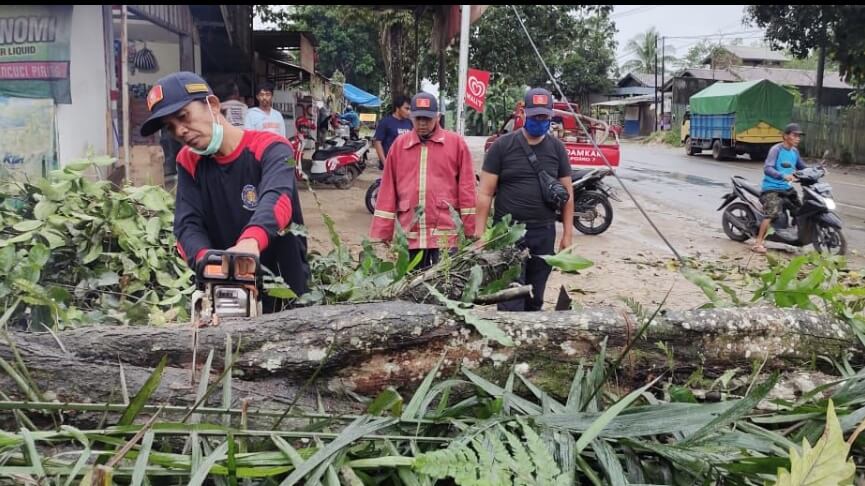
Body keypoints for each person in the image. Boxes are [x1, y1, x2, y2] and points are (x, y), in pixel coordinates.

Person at [140, 71, 309, 310]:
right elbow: (187, 224)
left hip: (284, 285)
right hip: (224, 295)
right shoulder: (188, 161)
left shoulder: (271, 148)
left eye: (183, 117)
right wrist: (210, 263)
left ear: (213, 105)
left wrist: (249, 244)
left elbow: (278, 199)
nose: (179, 131)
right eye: (170, 127)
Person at [475, 87, 575, 312]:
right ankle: (508, 344)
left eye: (544, 116)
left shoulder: (557, 149)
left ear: (551, 115)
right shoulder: (502, 146)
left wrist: (568, 234)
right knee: (510, 296)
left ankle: (527, 344)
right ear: (523, 113)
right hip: (508, 234)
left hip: (543, 233)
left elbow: (567, 195)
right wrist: (480, 235)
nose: (540, 120)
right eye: (535, 115)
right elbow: (485, 193)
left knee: (535, 296)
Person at [369, 91, 476, 269]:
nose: (422, 123)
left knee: (446, 284)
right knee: (413, 288)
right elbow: (388, 189)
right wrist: (383, 231)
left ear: (438, 117)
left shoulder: (456, 144)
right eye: (418, 118)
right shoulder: (399, 146)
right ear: (410, 117)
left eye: (427, 118)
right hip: (411, 232)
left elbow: (467, 188)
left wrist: (471, 229)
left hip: (445, 233)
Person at [751, 123, 810, 254]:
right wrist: (782, 175)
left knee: (800, 210)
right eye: (795, 135)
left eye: (799, 136)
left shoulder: (794, 151)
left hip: (786, 189)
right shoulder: (776, 150)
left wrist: (815, 170)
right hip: (771, 188)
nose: (797, 138)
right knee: (772, 212)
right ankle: (758, 242)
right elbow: (768, 168)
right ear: (785, 136)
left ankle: (794, 235)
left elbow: (802, 166)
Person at [372, 95, 413, 169]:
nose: (409, 112)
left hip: (406, 165)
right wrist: (385, 163)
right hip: (390, 164)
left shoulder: (410, 123)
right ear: (397, 108)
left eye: (410, 109)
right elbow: (377, 142)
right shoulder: (385, 122)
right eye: (406, 109)